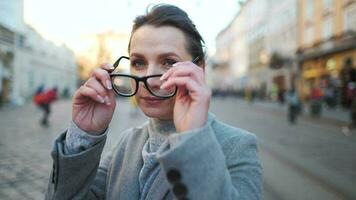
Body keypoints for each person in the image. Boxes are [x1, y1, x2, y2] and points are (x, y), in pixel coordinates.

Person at [45, 4, 262, 200]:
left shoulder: (237, 146)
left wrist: (192, 137)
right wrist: (83, 134)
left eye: (168, 62)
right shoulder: (126, 144)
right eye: (138, 62)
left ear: (200, 69)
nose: (149, 78)